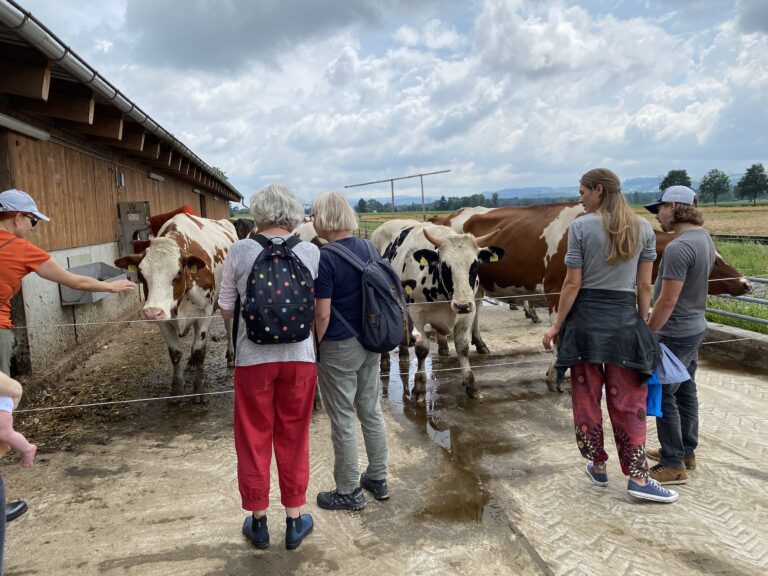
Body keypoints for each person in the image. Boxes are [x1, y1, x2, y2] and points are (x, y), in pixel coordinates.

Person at [0, 188, 135, 572]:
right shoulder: (21, 249)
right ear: (15, 217)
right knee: (4, 405)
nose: (33, 228)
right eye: (32, 221)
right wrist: (112, 285)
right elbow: (74, 281)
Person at [542, 168, 678, 503]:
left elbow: (572, 284)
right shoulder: (643, 228)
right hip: (623, 324)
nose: (580, 198)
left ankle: (598, 467)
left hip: (584, 325)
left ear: (598, 190)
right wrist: (643, 323)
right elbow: (644, 285)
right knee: (628, 401)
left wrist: (557, 324)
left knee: (586, 399)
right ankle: (638, 477)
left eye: (583, 192)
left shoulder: (581, 228)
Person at [218, 183, 319, 551]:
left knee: (253, 437)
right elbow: (319, 309)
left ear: (257, 213)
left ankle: (258, 521)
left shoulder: (239, 250)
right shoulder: (309, 251)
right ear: (292, 214)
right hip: (300, 359)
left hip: (252, 360)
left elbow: (226, 306)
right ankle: (295, 520)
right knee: (294, 436)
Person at [312, 191, 389, 511]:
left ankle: (348, 489)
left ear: (325, 218)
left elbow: (323, 313)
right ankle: (378, 478)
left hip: (339, 346)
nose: (312, 219)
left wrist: (317, 345)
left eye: (314, 213)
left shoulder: (325, 257)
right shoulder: (369, 247)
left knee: (342, 417)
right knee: (371, 410)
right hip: (372, 341)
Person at [644, 186, 715, 486]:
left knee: (666, 396)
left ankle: (673, 463)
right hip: (695, 326)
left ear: (673, 206)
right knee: (686, 390)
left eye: (659, 208)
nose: (657, 215)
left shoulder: (678, 247)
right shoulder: (706, 239)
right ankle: (687, 451)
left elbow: (667, 301)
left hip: (674, 333)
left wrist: (648, 333)